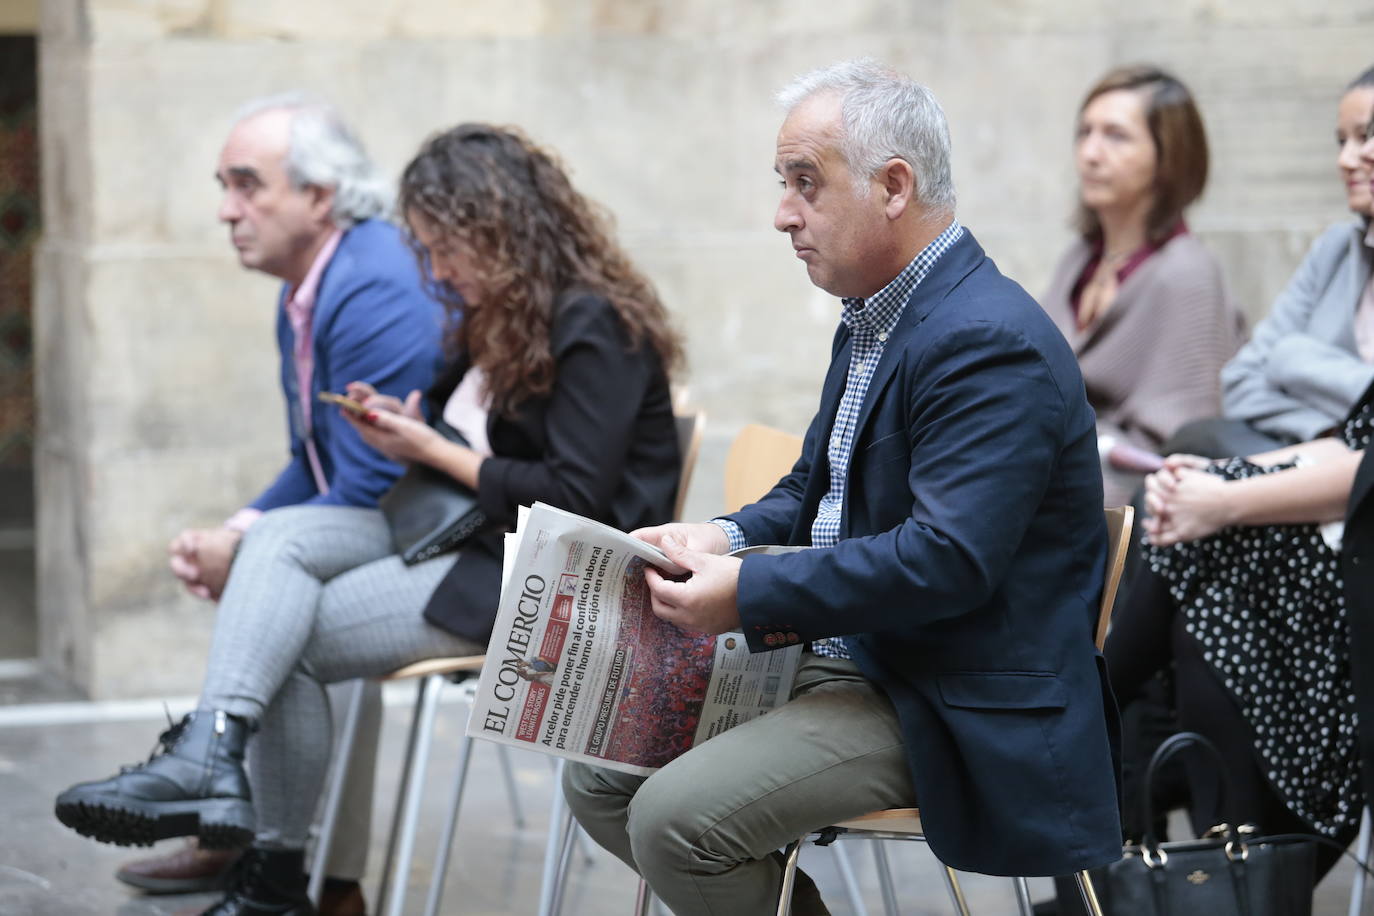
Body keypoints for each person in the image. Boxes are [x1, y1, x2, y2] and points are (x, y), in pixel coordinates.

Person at [53, 123, 683, 916]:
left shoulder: (594, 323)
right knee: (274, 542)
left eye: (447, 247)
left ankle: (277, 873)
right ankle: (215, 756)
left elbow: (576, 500)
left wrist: (438, 451)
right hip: (462, 532)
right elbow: (477, 445)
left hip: (554, 578)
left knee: (294, 641)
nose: (438, 270)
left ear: (503, 231)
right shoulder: (493, 315)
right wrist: (405, 430)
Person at [562, 59, 1121, 916]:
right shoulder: (877, 313)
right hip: (858, 654)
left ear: (893, 186)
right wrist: (723, 538)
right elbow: (813, 493)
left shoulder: (986, 341)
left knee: (677, 821)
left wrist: (748, 593)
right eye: (784, 183)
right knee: (600, 775)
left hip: (948, 691)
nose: (783, 213)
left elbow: (947, 563)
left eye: (805, 184)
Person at [113, 94, 445, 916]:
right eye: (222, 185)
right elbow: (316, 457)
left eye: (247, 185)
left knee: (290, 591)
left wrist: (254, 547)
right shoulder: (307, 282)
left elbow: (374, 482)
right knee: (276, 568)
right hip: (387, 518)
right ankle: (255, 835)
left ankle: (286, 855)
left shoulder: (374, 283)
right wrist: (236, 531)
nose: (226, 209)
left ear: (320, 197)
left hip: (441, 536)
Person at [1040, 65, 1246, 507]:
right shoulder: (1078, 259)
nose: (1090, 153)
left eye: (1116, 135)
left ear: (1167, 156)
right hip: (1051, 463)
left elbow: (1182, 436)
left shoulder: (1186, 271)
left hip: (1124, 496)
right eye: (1084, 132)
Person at [1170, 64, 1374, 458]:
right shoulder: (1334, 251)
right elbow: (1240, 382)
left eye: (1366, 137)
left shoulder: (1185, 266)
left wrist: (1295, 361)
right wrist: (1335, 431)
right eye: (1341, 141)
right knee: (1183, 464)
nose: (1346, 160)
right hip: (1321, 466)